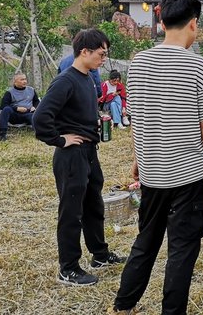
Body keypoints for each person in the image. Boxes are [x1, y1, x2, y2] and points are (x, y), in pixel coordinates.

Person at [113, 0, 203, 315]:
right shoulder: (198, 65)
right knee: (182, 251)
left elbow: (139, 117)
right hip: (191, 176)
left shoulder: (138, 63)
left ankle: (122, 307)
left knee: (146, 242)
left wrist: (139, 158)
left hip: (153, 174)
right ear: (193, 24)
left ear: (162, 23)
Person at [34, 29, 125, 287]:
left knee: (94, 206)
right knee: (71, 212)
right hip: (71, 155)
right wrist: (60, 139)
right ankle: (69, 268)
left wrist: (98, 120)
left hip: (89, 152)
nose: (103, 60)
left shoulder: (87, 79)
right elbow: (40, 118)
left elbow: (78, 111)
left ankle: (100, 255)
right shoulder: (65, 80)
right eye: (101, 54)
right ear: (84, 51)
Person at [0, 71, 40, 141]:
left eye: (25, 79)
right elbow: (3, 105)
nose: (25, 81)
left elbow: (37, 101)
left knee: (34, 115)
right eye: (22, 80)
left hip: (28, 114)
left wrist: (34, 107)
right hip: (15, 115)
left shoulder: (31, 90)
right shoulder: (9, 92)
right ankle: (2, 133)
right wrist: (17, 108)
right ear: (15, 82)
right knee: (6, 109)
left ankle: (40, 133)